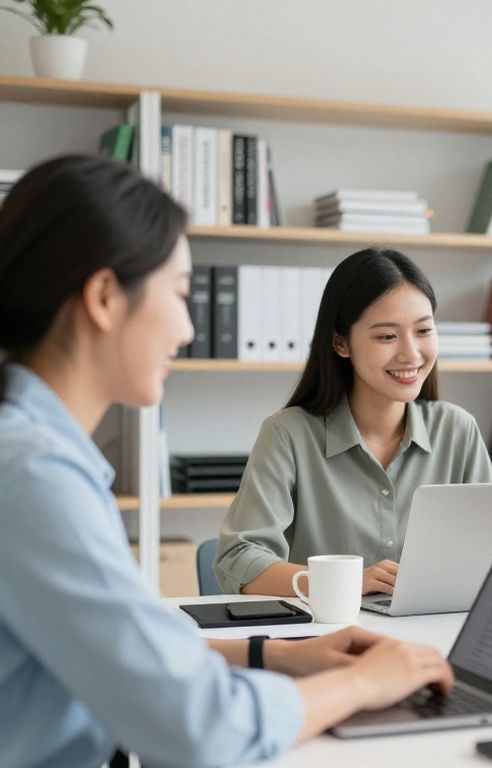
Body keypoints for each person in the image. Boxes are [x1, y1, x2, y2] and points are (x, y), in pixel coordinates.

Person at [0, 155, 454, 768]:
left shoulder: (40, 458)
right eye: (182, 294)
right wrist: (365, 683)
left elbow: (132, 652)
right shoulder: (31, 477)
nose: (189, 328)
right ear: (106, 297)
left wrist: (284, 655)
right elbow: (201, 729)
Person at [215, 247, 492, 596]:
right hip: (325, 640)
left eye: (423, 331)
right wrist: (346, 582)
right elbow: (238, 561)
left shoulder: (458, 431)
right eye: (387, 336)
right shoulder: (288, 435)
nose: (411, 353)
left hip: (431, 635)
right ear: (340, 343)